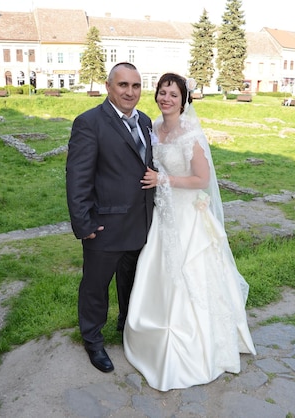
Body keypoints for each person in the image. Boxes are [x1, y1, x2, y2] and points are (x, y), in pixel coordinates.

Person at [123, 73, 257, 391]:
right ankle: (149, 336)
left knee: (188, 274)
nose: (166, 98)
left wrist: (163, 180)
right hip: (163, 214)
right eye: (162, 92)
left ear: (184, 100)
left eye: (173, 94)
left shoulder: (191, 133)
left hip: (186, 214)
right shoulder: (152, 128)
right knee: (156, 270)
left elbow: (201, 180)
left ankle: (198, 345)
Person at [66, 62, 154, 373]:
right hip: (104, 225)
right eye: (123, 85)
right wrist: (83, 224)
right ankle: (92, 340)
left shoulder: (145, 121)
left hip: (141, 222)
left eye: (136, 86)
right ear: (109, 87)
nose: (130, 92)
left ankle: (126, 327)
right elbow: (77, 177)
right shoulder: (90, 122)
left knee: (132, 283)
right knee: (95, 287)